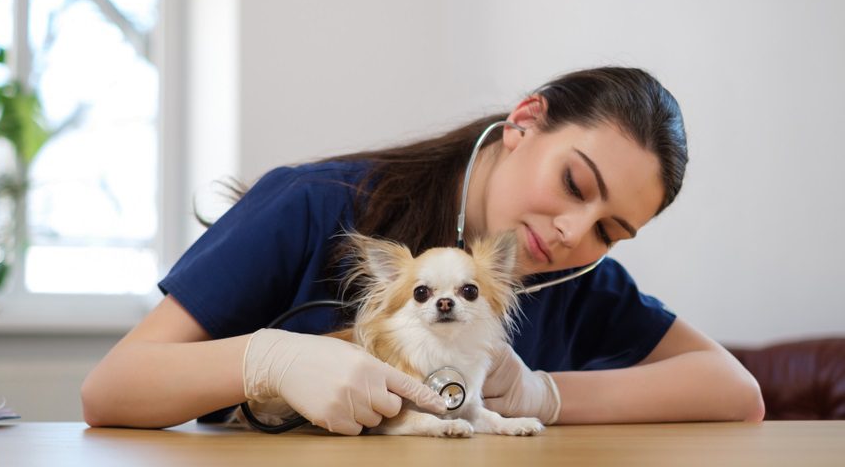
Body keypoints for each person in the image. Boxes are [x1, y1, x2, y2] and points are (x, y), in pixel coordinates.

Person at [82, 66, 765, 433]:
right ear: (524, 123)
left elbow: (737, 393)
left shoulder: (573, 279)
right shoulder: (314, 204)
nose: (572, 233)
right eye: (574, 183)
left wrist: (542, 395)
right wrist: (268, 359)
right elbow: (111, 390)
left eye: (609, 231)